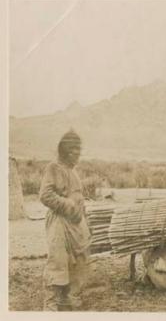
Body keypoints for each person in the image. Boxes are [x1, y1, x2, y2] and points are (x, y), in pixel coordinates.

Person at [40, 130, 92, 311]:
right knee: (58, 261)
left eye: (79, 149)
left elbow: (78, 197)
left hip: (76, 223)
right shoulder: (53, 168)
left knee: (80, 259)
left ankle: (70, 300)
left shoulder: (73, 172)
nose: (77, 153)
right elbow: (45, 195)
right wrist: (68, 204)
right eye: (72, 149)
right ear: (63, 150)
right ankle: (52, 304)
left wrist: (83, 216)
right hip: (59, 223)